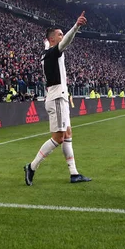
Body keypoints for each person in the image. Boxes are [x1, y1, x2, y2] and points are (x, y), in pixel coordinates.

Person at [24, 11, 91, 186]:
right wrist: (76, 27)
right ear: (53, 40)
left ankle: (74, 173)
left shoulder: (47, 54)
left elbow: (54, 42)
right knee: (59, 137)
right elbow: (66, 41)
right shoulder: (54, 52)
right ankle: (31, 167)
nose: (63, 37)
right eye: (60, 35)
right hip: (57, 98)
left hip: (58, 96)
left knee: (67, 135)